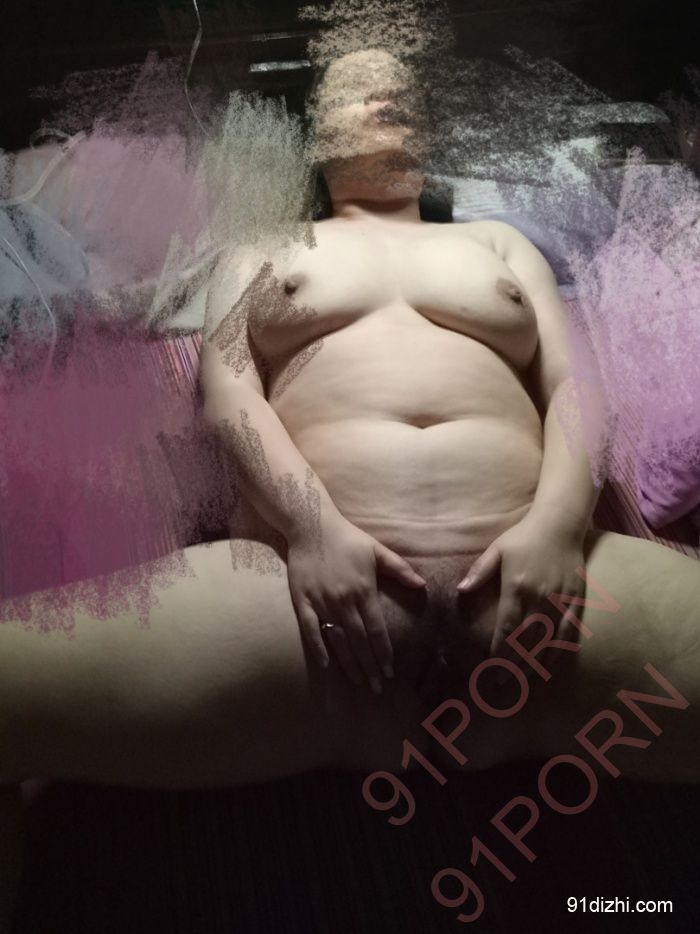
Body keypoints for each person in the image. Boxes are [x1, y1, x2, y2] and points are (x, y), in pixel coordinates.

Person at [0, 46, 699, 931]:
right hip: (301, 614)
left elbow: (574, 384)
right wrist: (313, 528)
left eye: (398, 87)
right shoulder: (263, 247)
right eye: (354, 87)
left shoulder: (497, 244)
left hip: (559, 603)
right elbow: (227, 389)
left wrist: (561, 524)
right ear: (317, 135)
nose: (381, 96)